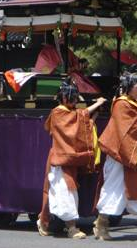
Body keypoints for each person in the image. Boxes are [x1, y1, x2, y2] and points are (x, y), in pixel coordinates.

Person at [93, 73, 137, 243]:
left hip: (136, 154)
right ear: (128, 87)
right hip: (120, 154)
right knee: (113, 189)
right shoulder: (121, 104)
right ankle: (101, 224)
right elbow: (127, 128)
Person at [37, 78, 106, 239]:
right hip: (59, 158)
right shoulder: (58, 112)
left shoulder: (69, 113)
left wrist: (92, 118)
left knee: (58, 192)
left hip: (68, 158)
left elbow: (81, 124)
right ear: (63, 97)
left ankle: (43, 221)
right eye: (72, 97)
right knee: (66, 191)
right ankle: (71, 227)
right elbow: (78, 119)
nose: (74, 100)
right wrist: (97, 103)